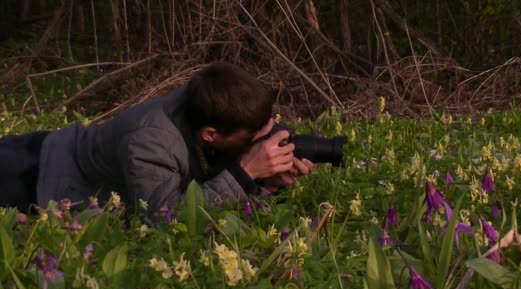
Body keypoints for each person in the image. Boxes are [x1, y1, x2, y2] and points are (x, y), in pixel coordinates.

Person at [0, 62, 314, 214]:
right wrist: (245, 172)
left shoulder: (207, 105)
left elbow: (207, 177)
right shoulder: (150, 140)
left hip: (52, 148)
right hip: (37, 174)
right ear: (211, 134)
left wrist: (264, 184)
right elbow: (166, 217)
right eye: (250, 138)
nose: (257, 144)